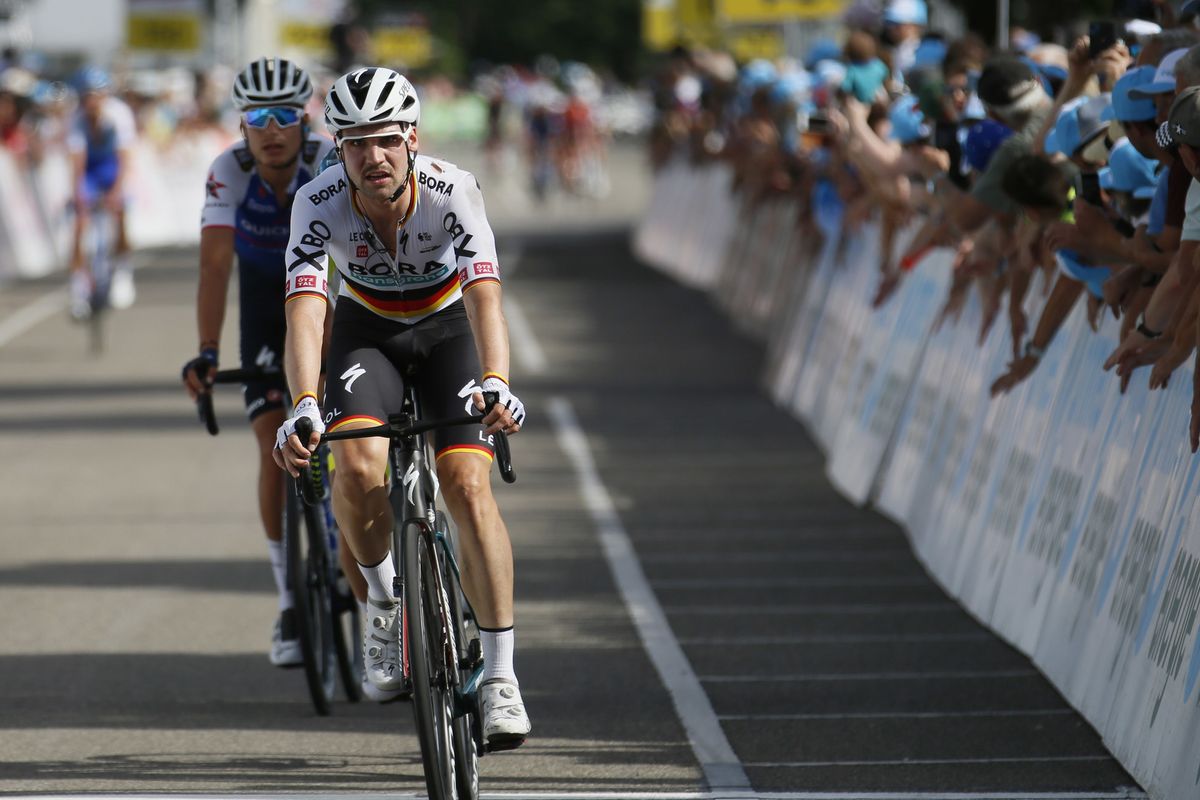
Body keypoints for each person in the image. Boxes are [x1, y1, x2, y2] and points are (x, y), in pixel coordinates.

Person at [273, 67, 533, 749]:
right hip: (368, 334)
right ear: (339, 148)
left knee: (467, 485)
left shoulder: (453, 192)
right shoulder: (318, 200)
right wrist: (303, 403)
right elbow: (305, 311)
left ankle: (502, 677)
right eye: (355, 144)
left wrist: (498, 379)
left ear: (412, 138)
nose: (372, 157)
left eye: (385, 140)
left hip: (448, 333)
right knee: (355, 467)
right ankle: (386, 607)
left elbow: (484, 296)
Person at [180, 57, 334, 670]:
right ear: (242, 125)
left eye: (286, 117)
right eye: (257, 118)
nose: (272, 130)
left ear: (306, 119)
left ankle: (352, 546)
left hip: (330, 298)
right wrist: (209, 352)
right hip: (266, 308)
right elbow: (215, 267)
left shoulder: (327, 161)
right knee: (274, 445)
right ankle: (290, 600)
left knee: (348, 437)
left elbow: (350, 261)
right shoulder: (229, 170)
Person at [66, 66, 137, 319]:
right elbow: (76, 162)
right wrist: (78, 195)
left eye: (96, 96)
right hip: (90, 170)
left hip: (112, 167)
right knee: (79, 223)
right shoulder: (75, 118)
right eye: (86, 97)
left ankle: (123, 272)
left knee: (120, 214)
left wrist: (116, 191)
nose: (91, 102)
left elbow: (125, 158)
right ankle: (78, 288)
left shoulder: (119, 114)